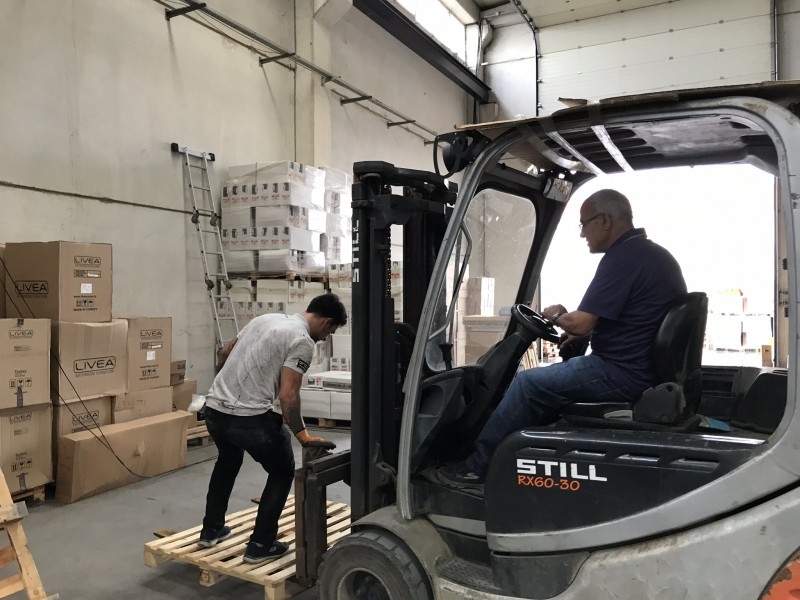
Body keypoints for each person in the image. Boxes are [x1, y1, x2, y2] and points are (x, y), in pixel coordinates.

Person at [440, 189, 687, 485]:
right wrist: (585, 332)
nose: (582, 234)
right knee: (545, 382)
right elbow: (634, 316)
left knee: (528, 383)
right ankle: (523, 456)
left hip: (623, 371)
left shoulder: (624, 257)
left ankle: (478, 466)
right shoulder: (646, 254)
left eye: (584, 224)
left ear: (604, 221)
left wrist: (556, 314)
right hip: (639, 367)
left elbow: (579, 323)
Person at [198, 293, 348, 563]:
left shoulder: (264, 319)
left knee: (228, 460)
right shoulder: (302, 341)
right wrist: (303, 436)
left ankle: (211, 530)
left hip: (214, 411)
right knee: (281, 471)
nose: (325, 338)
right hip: (250, 419)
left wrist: (227, 389)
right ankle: (260, 544)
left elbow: (225, 353)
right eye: (330, 332)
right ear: (327, 322)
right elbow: (288, 395)